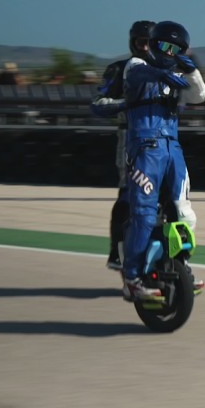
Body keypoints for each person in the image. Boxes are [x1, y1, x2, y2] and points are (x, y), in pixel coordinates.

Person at [120, 20, 205, 301]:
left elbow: (200, 96)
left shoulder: (179, 74)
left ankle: (180, 265)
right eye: (164, 46)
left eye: (176, 49)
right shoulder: (136, 65)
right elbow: (139, 76)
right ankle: (132, 279)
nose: (169, 52)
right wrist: (164, 74)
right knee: (144, 215)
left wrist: (191, 71)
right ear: (153, 44)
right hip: (144, 149)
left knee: (185, 214)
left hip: (173, 148)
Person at [90, 20, 157, 272]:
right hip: (130, 138)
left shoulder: (165, 70)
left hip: (162, 140)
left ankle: (176, 260)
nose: (146, 48)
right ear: (132, 43)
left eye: (151, 43)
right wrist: (127, 104)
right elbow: (98, 102)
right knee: (128, 193)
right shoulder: (119, 69)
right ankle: (115, 250)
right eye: (142, 43)